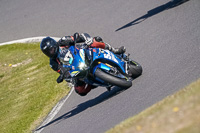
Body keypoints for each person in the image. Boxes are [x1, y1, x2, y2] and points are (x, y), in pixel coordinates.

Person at [40, 32, 126, 96]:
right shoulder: (53, 63)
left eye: (51, 50)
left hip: (83, 52)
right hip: (76, 68)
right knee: (80, 90)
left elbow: (79, 36)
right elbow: (62, 71)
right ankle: (93, 83)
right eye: (48, 52)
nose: (50, 53)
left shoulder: (63, 41)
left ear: (54, 45)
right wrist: (65, 76)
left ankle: (114, 50)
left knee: (96, 41)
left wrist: (86, 39)